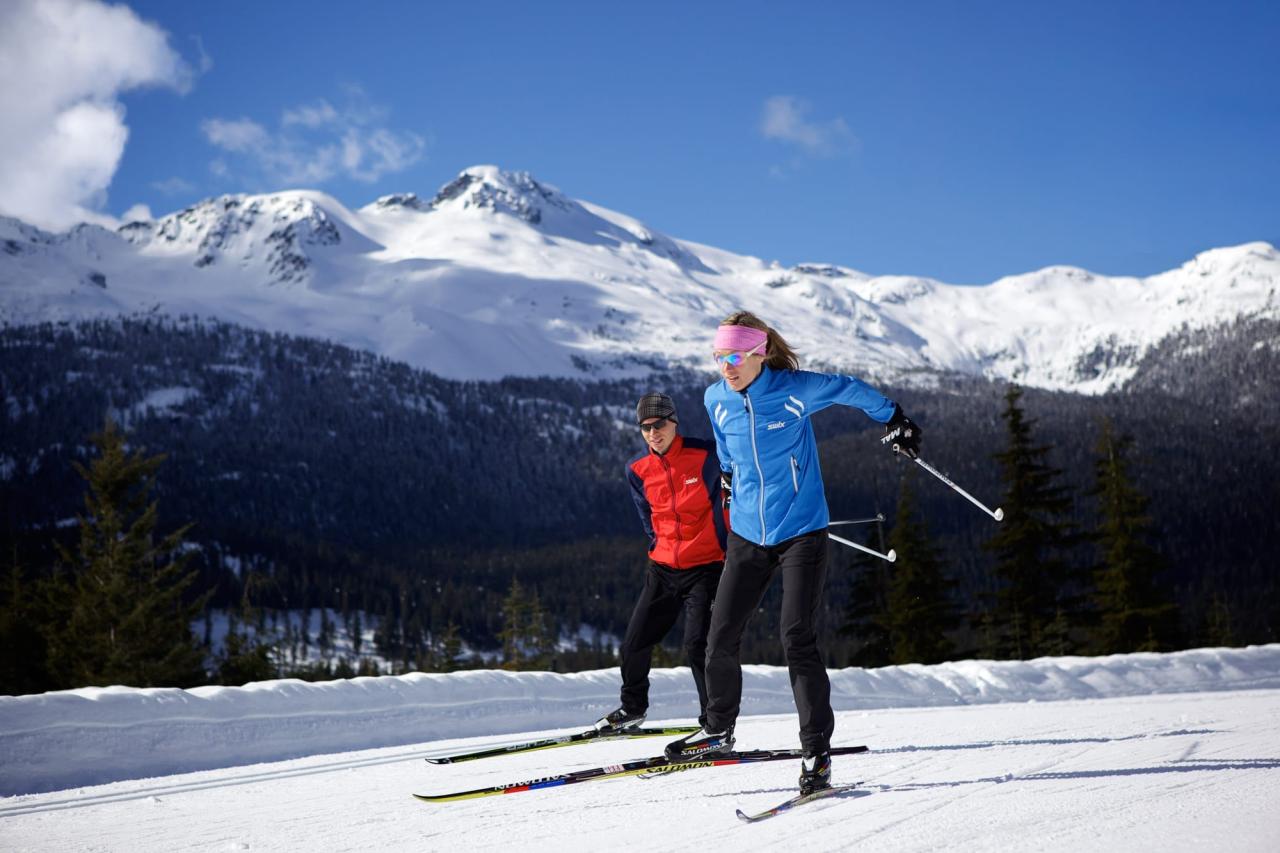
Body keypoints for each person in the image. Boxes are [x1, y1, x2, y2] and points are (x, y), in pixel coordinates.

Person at [665, 311, 921, 795]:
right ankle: (718, 729)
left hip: (802, 531)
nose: (727, 366)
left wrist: (894, 417)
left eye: (736, 356)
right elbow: (724, 443)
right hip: (747, 534)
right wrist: (726, 476)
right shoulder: (715, 397)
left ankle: (816, 753)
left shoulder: (796, 388)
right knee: (719, 636)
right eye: (719, 357)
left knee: (795, 638)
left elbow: (847, 387)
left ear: (760, 353)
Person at [595, 392, 728, 734]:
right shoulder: (637, 471)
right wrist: (658, 545)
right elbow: (646, 516)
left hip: (707, 567)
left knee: (699, 645)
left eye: (660, 424)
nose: (654, 433)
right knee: (633, 644)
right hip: (664, 571)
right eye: (645, 427)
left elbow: (742, 476)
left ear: (674, 422)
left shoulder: (706, 454)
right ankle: (632, 708)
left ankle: (713, 724)